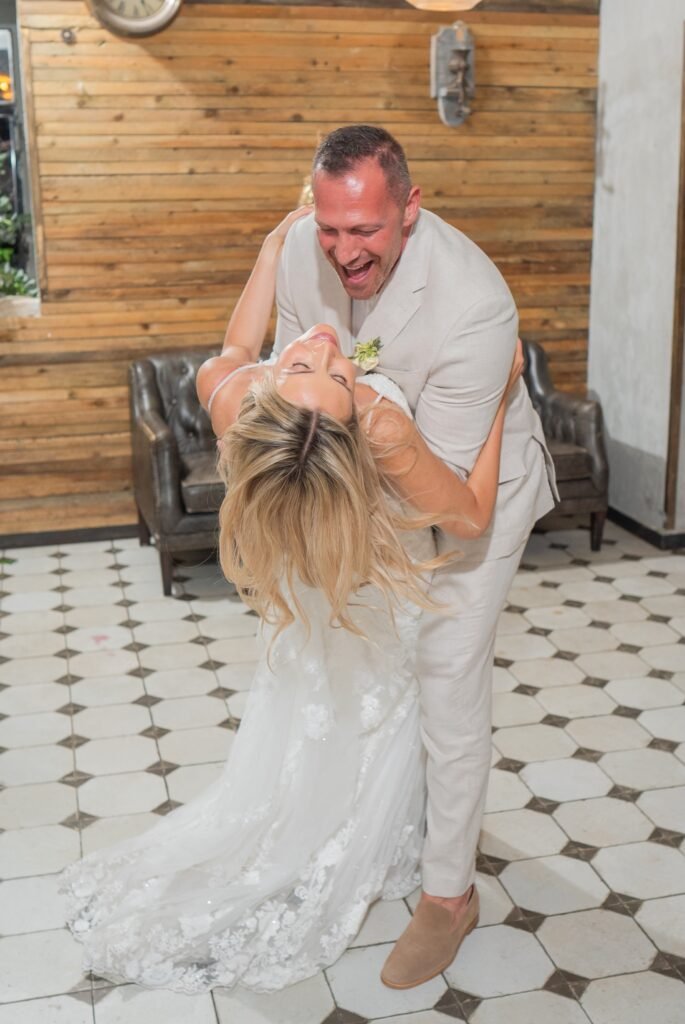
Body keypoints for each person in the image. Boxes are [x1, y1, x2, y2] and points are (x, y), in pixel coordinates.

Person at [59, 206, 523, 995]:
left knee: (339, 694)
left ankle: (372, 826)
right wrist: (501, 403)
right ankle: (371, 833)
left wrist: (271, 253)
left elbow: (237, 346)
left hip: (330, 569)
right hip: (357, 573)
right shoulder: (368, 426)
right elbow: (469, 512)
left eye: (314, 367)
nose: (320, 348)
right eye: (329, 370)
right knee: (384, 699)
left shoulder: (242, 399)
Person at [274, 125, 558, 989]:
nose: (342, 250)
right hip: (368, 488)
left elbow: (447, 502)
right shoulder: (300, 244)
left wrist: (364, 423)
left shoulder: (474, 303)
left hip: (471, 496)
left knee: (445, 670)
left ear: (409, 206)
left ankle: (449, 897)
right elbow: (292, 375)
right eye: (330, 228)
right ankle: (390, 823)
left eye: (364, 231)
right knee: (360, 661)